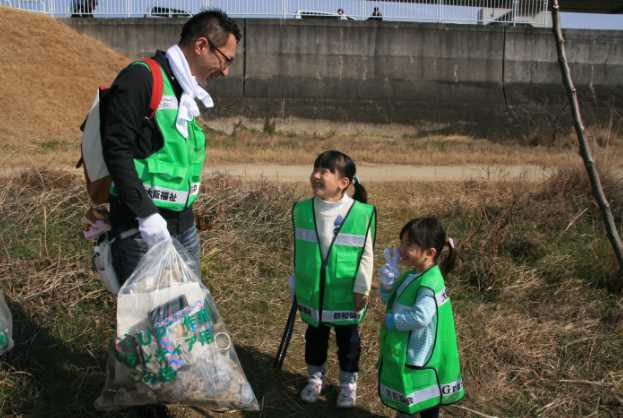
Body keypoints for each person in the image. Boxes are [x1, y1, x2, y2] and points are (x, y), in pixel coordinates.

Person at [101, 9, 240, 286]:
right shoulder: (141, 78)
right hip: (141, 228)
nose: (226, 71)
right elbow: (116, 150)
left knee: (187, 316)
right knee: (149, 320)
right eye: (225, 60)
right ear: (202, 46)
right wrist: (147, 215)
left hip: (183, 226)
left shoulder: (185, 91)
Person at [289, 150, 376, 408]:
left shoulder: (360, 214)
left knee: (348, 342)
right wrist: (296, 279)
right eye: (315, 169)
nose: (316, 175)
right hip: (313, 291)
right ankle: (315, 379)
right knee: (315, 338)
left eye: (325, 171)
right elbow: (302, 250)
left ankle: (348, 384)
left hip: (344, 293)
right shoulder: (303, 209)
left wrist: (362, 287)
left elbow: (366, 254)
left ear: (344, 183)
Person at [377, 217, 464, 417]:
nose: (401, 248)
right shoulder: (413, 275)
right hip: (412, 351)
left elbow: (420, 317)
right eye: (402, 242)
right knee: (414, 400)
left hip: (419, 355)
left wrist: (390, 321)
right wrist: (388, 283)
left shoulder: (429, 283)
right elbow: (390, 299)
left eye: (408, 244)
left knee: (425, 400)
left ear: (430, 253)